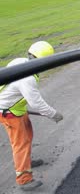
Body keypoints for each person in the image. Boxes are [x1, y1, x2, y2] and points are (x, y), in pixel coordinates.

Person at [0, 41, 63, 191]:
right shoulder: (27, 78)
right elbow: (37, 104)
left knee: (28, 134)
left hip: (15, 108)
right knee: (20, 143)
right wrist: (54, 115)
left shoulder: (21, 62)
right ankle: (24, 179)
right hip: (9, 112)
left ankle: (26, 161)